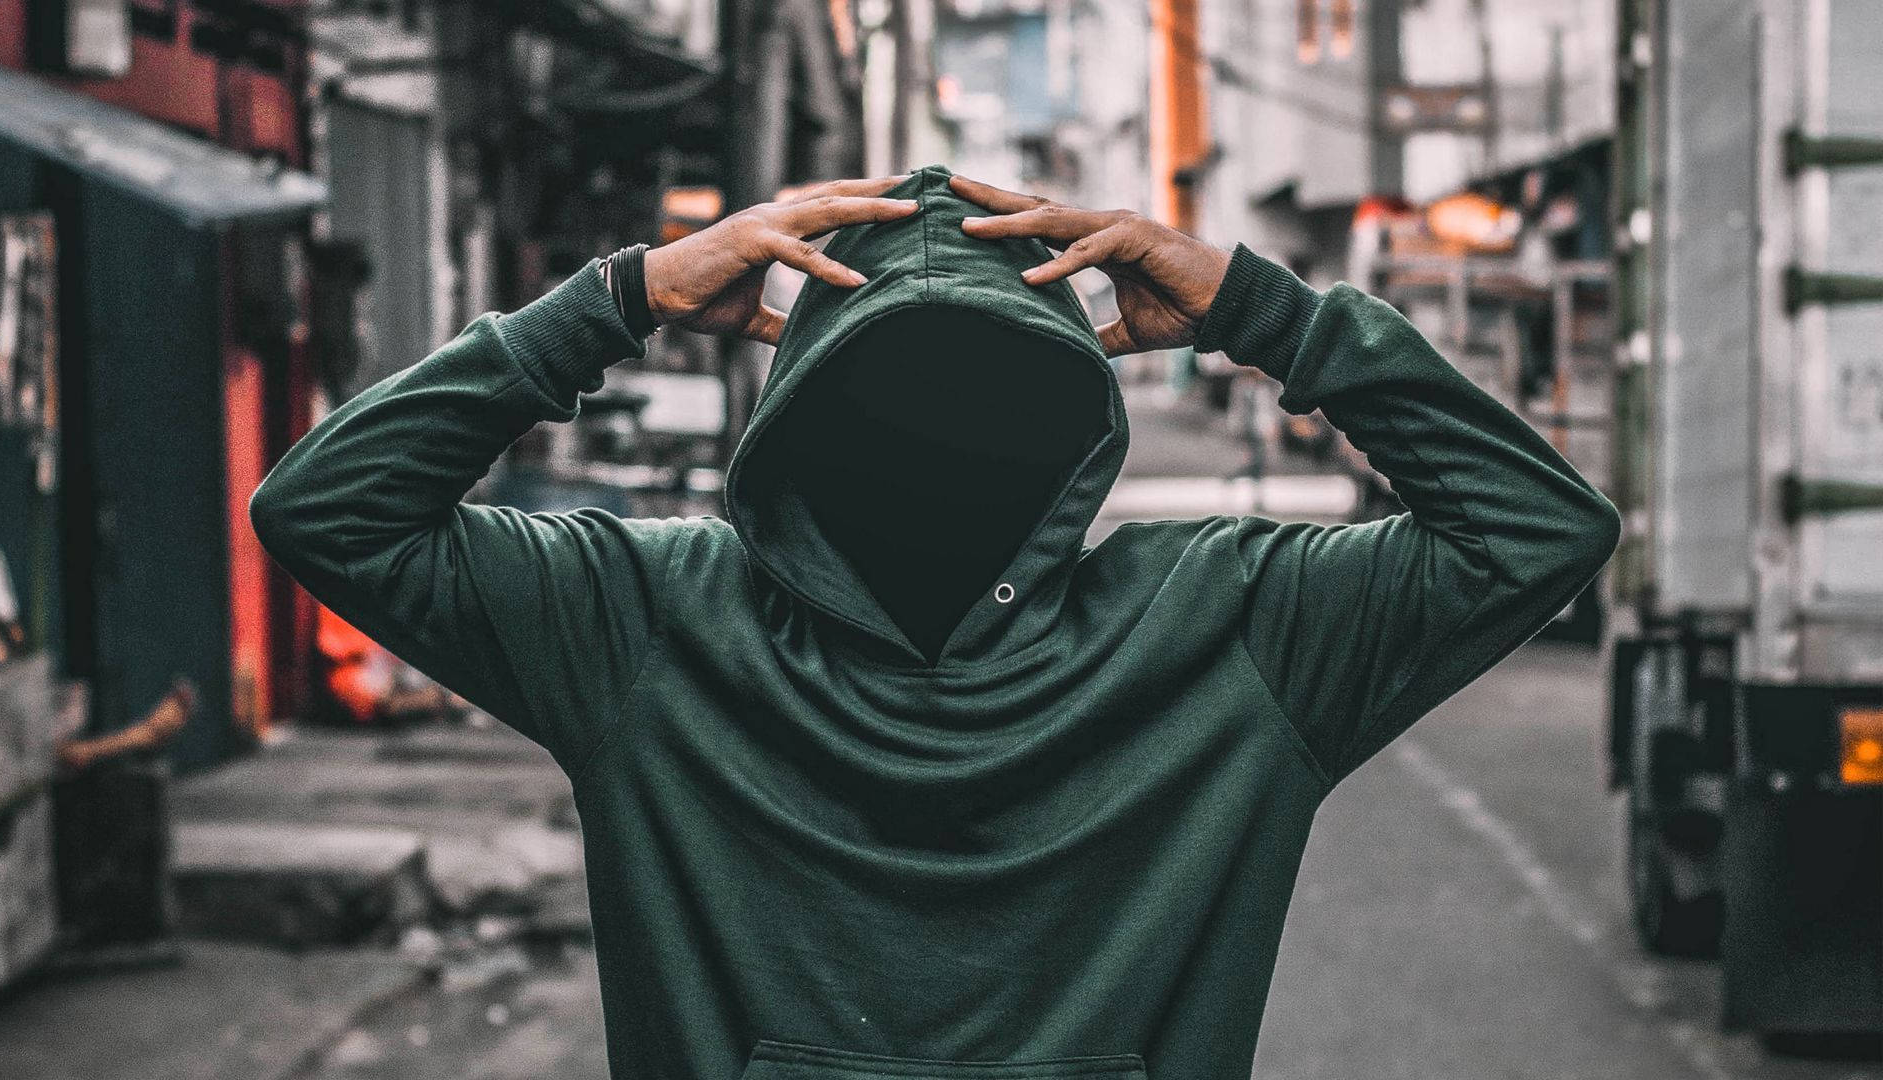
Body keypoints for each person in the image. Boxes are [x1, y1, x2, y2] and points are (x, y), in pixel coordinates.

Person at [251, 166, 1619, 1080]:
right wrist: (1258, 315)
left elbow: (332, 509)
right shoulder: (1234, 622)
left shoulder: (646, 619)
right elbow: (1536, 530)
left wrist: (625, 304)